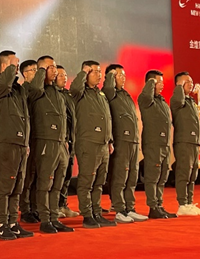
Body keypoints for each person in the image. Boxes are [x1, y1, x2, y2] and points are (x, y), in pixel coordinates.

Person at [26, 56, 74, 234]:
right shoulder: (36, 91)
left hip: (61, 143)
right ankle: (45, 219)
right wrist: (41, 71)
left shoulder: (58, 92)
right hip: (45, 141)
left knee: (58, 183)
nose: (55, 70)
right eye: (50, 68)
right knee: (45, 183)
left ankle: (54, 217)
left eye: (55, 67)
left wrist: (66, 140)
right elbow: (35, 88)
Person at [0, 50, 34, 240]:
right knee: (4, 185)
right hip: (6, 142)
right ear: (3, 67)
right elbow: (5, 80)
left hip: (21, 143)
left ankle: (13, 222)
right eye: (14, 64)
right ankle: (1, 224)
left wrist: (26, 142)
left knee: (17, 186)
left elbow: (25, 118)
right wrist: (9, 68)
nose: (17, 67)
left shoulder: (19, 89)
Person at [71, 61, 116, 228]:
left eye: (100, 72)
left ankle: (97, 213)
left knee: (99, 182)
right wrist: (83, 72)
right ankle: (87, 215)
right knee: (87, 181)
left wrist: (110, 140)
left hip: (103, 144)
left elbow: (107, 118)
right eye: (94, 72)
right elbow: (75, 88)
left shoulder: (100, 94)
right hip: (88, 142)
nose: (99, 75)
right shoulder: (80, 93)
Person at [103, 64, 147, 224]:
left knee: (132, 176)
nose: (123, 78)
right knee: (120, 176)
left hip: (132, 141)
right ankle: (119, 209)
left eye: (124, 75)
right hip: (120, 140)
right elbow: (108, 88)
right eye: (119, 75)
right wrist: (110, 75)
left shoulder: (125, 94)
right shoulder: (109, 93)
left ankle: (130, 208)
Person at [139, 70, 176, 219]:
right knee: (153, 176)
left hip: (164, 144)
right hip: (153, 144)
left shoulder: (161, 101)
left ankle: (159, 205)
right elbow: (147, 95)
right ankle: (153, 206)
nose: (162, 85)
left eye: (162, 82)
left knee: (162, 176)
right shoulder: (146, 100)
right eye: (158, 82)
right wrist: (151, 82)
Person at [170, 72, 200, 217]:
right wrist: (179, 87)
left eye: (191, 82)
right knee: (184, 173)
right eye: (186, 82)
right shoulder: (177, 99)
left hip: (194, 142)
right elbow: (178, 101)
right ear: (179, 84)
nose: (190, 84)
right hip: (183, 141)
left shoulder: (190, 101)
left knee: (192, 174)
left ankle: (189, 203)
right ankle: (182, 204)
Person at [56, 66, 79, 218]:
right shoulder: (52, 95)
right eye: (60, 75)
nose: (64, 78)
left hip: (71, 139)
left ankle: (62, 204)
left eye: (65, 75)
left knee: (67, 175)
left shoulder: (68, 95)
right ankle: (53, 206)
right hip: (60, 140)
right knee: (57, 175)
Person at [18, 59, 40, 223]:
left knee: (36, 174)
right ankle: (25, 209)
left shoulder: (40, 90)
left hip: (39, 137)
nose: (37, 73)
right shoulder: (24, 90)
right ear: (25, 74)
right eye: (33, 70)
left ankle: (34, 207)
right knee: (27, 176)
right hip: (28, 138)